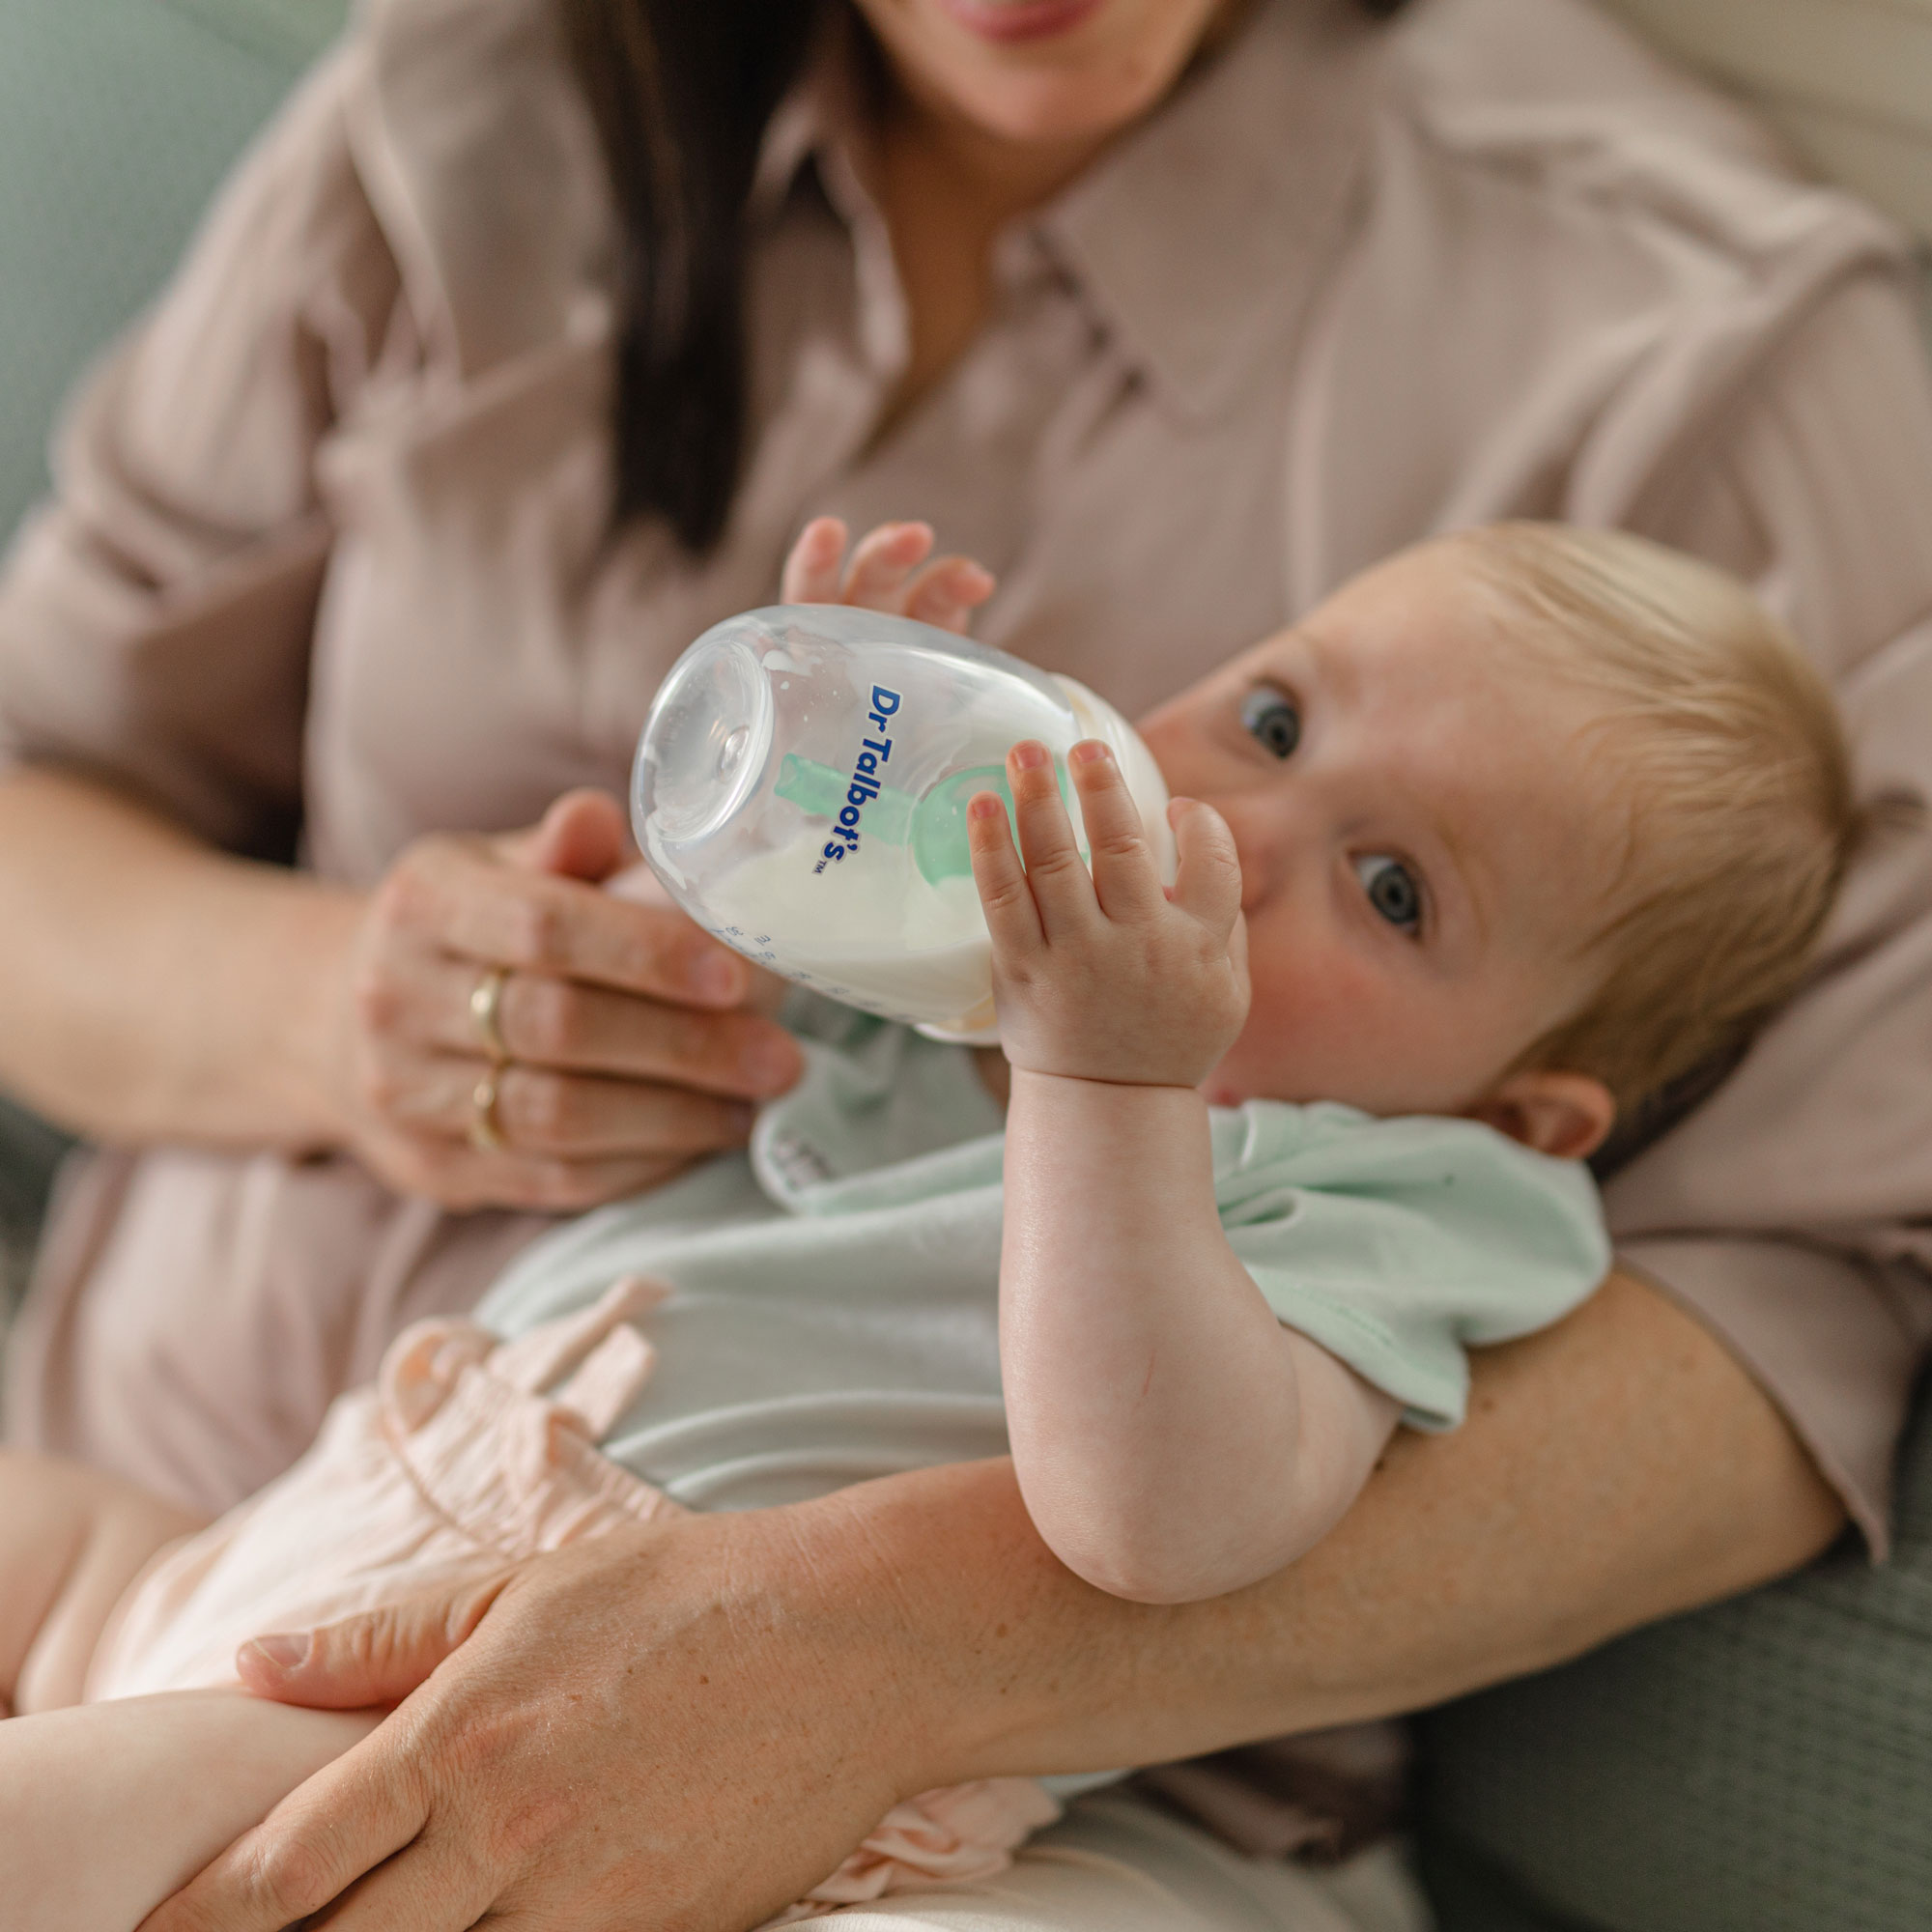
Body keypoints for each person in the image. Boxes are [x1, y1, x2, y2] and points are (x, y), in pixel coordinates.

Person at [2, 0, 1932, 1925]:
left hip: (886, 1779)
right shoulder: (480, 95)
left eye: (1392, 889)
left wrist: (866, 1644)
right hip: (236, 1513)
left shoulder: (1709, 358)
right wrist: (404, 995)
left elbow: (1805, 1292)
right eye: (1264, 723)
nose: (1232, 838)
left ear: (1530, 1111)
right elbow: (52, 779)